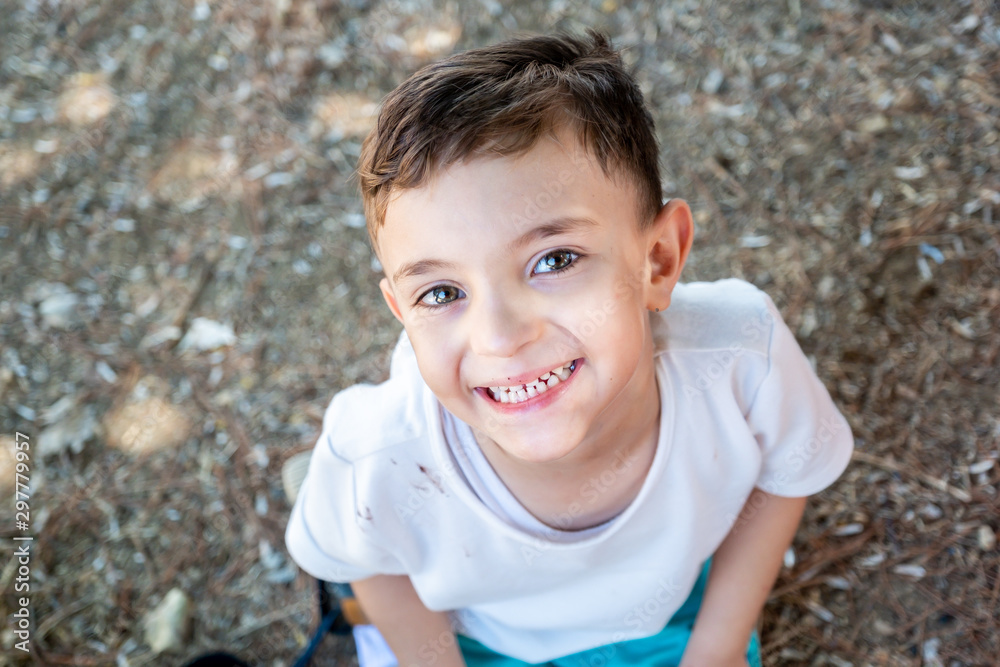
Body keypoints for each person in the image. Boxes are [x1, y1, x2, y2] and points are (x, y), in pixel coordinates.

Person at [285, 31, 853, 667]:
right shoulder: (378, 458)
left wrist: (717, 645)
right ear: (401, 314)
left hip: (674, 619)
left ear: (658, 261)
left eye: (553, 259)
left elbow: (784, 476)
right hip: (482, 647)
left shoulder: (740, 357)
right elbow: (369, 563)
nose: (499, 339)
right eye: (443, 293)